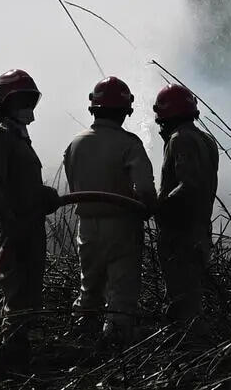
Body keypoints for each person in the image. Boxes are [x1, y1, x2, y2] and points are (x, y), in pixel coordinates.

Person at [61, 76, 157, 347]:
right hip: (122, 226)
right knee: (121, 290)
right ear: (126, 111)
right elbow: (146, 190)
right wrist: (148, 209)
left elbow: (73, 182)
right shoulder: (130, 144)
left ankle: (82, 337)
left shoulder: (75, 144)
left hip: (87, 227)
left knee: (89, 285)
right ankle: (115, 344)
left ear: (93, 108)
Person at [0, 68, 61, 366]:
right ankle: (7, 358)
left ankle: (16, 349)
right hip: (14, 230)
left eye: (29, 100)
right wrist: (9, 220)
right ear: (5, 103)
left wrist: (45, 196)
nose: (26, 107)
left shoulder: (19, 138)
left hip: (31, 228)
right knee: (15, 295)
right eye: (20, 100)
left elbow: (23, 186)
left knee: (29, 296)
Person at [152, 83, 218, 329]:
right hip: (200, 230)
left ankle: (187, 352)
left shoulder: (180, 140)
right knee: (192, 296)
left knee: (182, 303)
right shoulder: (206, 140)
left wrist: (160, 207)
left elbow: (188, 185)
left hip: (181, 235)